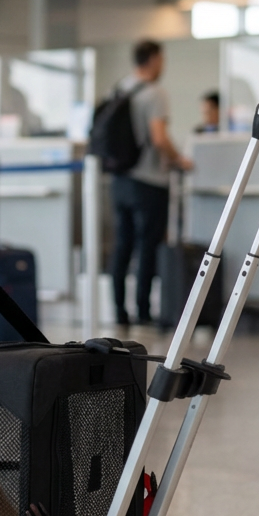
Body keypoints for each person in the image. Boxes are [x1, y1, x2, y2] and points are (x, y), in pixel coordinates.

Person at [110, 39, 194, 327]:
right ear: (155, 59)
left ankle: (119, 312)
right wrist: (179, 159)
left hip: (120, 178)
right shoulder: (155, 93)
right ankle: (143, 310)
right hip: (148, 180)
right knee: (147, 246)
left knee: (123, 245)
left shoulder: (122, 87)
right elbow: (159, 137)